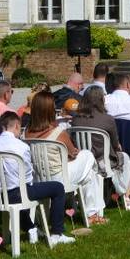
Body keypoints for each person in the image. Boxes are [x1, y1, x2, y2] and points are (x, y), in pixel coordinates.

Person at [0, 112, 76, 247]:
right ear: (16, 126)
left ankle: (31, 228)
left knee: (17, 187)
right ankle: (57, 233)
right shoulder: (21, 146)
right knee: (57, 188)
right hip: (16, 194)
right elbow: (27, 175)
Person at [24, 91, 105, 224]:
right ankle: (92, 215)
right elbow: (73, 152)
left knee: (90, 173)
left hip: (38, 176)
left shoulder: (26, 131)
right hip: (58, 177)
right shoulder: (58, 133)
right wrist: (73, 155)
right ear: (50, 110)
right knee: (88, 156)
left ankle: (92, 214)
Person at [69, 86, 130, 210]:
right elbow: (115, 144)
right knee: (124, 157)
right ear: (102, 100)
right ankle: (126, 196)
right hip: (102, 162)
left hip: (84, 161)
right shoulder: (107, 119)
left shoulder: (76, 119)